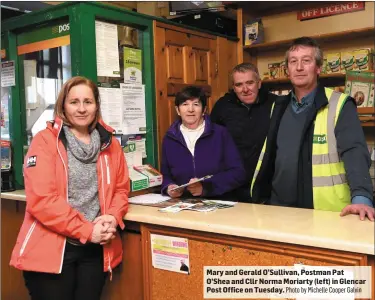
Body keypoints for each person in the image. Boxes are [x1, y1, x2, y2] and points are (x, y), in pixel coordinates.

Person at [10, 76, 130, 300]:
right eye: (74, 102)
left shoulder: (110, 144)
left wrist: (112, 217)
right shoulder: (45, 142)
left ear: (97, 105)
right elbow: (42, 201)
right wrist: (87, 231)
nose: (82, 109)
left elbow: (121, 189)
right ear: (63, 105)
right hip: (53, 249)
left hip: (95, 249)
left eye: (88, 102)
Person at [251, 37, 374, 221]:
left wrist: (362, 197)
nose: (299, 67)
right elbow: (270, 156)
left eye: (306, 61)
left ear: (318, 68)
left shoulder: (339, 104)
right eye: (293, 61)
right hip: (278, 210)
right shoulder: (278, 106)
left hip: (324, 213)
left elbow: (354, 152)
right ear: (287, 70)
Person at [161, 86, 246, 199]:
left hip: (219, 203)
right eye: (185, 104)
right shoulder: (169, 138)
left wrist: (206, 187)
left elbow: (238, 173)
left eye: (196, 104)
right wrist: (169, 187)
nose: (190, 109)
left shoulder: (220, 134)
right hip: (182, 206)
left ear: (204, 109)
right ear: (178, 110)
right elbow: (165, 175)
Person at [210, 63, 278, 202]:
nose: (245, 89)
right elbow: (212, 144)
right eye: (239, 85)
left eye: (250, 83)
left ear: (259, 83)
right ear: (233, 88)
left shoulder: (277, 104)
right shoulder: (222, 106)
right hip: (232, 189)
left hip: (269, 187)